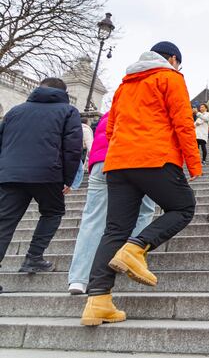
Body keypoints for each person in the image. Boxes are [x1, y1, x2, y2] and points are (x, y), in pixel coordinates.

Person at [80, 41, 201, 326]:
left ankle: (98, 301)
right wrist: (193, 163)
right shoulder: (170, 77)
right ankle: (136, 249)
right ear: (173, 58)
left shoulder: (125, 85)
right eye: (178, 63)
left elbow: (109, 128)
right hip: (154, 157)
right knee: (183, 207)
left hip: (119, 162)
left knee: (114, 229)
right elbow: (183, 122)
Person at [0, 77, 82, 293]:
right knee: (52, 212)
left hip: (10, 175)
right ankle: (33, 257)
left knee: (4, 223)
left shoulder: (15, 111)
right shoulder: (68, 111)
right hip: (48, 173)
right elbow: (72, 148)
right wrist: (69, 178)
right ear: (63, 92)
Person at [67, 112, 156, 295]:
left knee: (93, 218)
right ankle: (128, 258)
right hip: (138, 159)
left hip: (101, 161)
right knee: (144, 210)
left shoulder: (113, 109)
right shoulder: (150, 103)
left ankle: (79, 279)